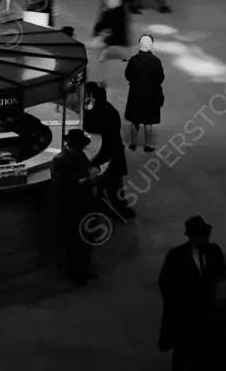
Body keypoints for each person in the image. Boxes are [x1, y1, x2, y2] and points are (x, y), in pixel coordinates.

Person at [158, 216, 226, 370]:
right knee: (181, 355)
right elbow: (165, 283)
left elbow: (221, 279)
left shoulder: (215, 251)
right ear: (193, 238)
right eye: (203, 236)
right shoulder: (177, 256)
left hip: (208, 317)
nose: (206, 239)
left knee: (204, 357)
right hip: (185, 318)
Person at [50, 130, 99, 284]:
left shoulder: (80, 155)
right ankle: (74, 273)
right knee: (74, 242)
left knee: (88, 237)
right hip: (71, 205)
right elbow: (58, 184)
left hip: (85, 201)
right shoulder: (59, 160)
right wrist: (78, 182)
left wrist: (93, 173)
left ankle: (84, 268)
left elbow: (88, 167)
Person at [83, 82, 134, 220]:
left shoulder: (101, 113)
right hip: (114, 153)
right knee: (111, 185)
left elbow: (91, 127)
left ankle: (122, 212)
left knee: (113, 186)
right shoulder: (109, 109)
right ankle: (106, 203)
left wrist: (87, 111)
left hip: (110, 156)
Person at [125, 33, 164, 151]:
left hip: (135, 93)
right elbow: (161, 78)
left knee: (134, 120)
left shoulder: (133, 60)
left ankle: (133, 143)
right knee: (148, 121)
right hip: (151, 94)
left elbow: (127, 76)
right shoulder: (156, 61)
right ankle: (147, 145)